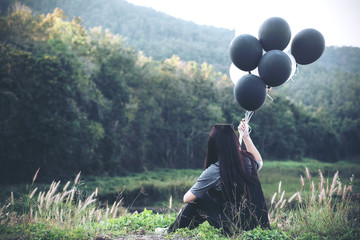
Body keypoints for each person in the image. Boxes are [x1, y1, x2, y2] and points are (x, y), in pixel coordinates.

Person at [155, 120, 269, 236]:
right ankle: (173, 230)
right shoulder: (248, 160)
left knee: (201, 198)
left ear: (213, 144)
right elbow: (259, 162)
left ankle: (170, 231)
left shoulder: (215, 170)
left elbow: (187, 198)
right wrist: (246, 136)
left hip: (233, 229)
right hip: (257, 225)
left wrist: (207, 188)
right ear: (235, 141)